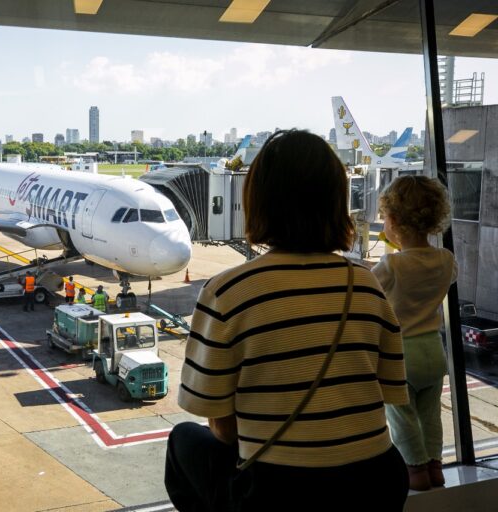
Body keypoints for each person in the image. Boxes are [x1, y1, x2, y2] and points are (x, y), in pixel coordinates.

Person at [165, 130, 410, 511]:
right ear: (337, 201)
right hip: (377, 483)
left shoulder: (227, 291)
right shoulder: (364, 282)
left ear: (256, 201)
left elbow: (223, 429)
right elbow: (392, 392)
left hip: (281, 493)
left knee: (183, 441)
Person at [372, 175, 457, 491]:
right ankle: (435, 467)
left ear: (392, 221)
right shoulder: (445, 260)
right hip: (434, 351)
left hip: (402, 354)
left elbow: (370, 287)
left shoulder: (392, 265)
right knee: (430, 415)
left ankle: (416, 471)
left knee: (402, 416)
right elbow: (441, 278)